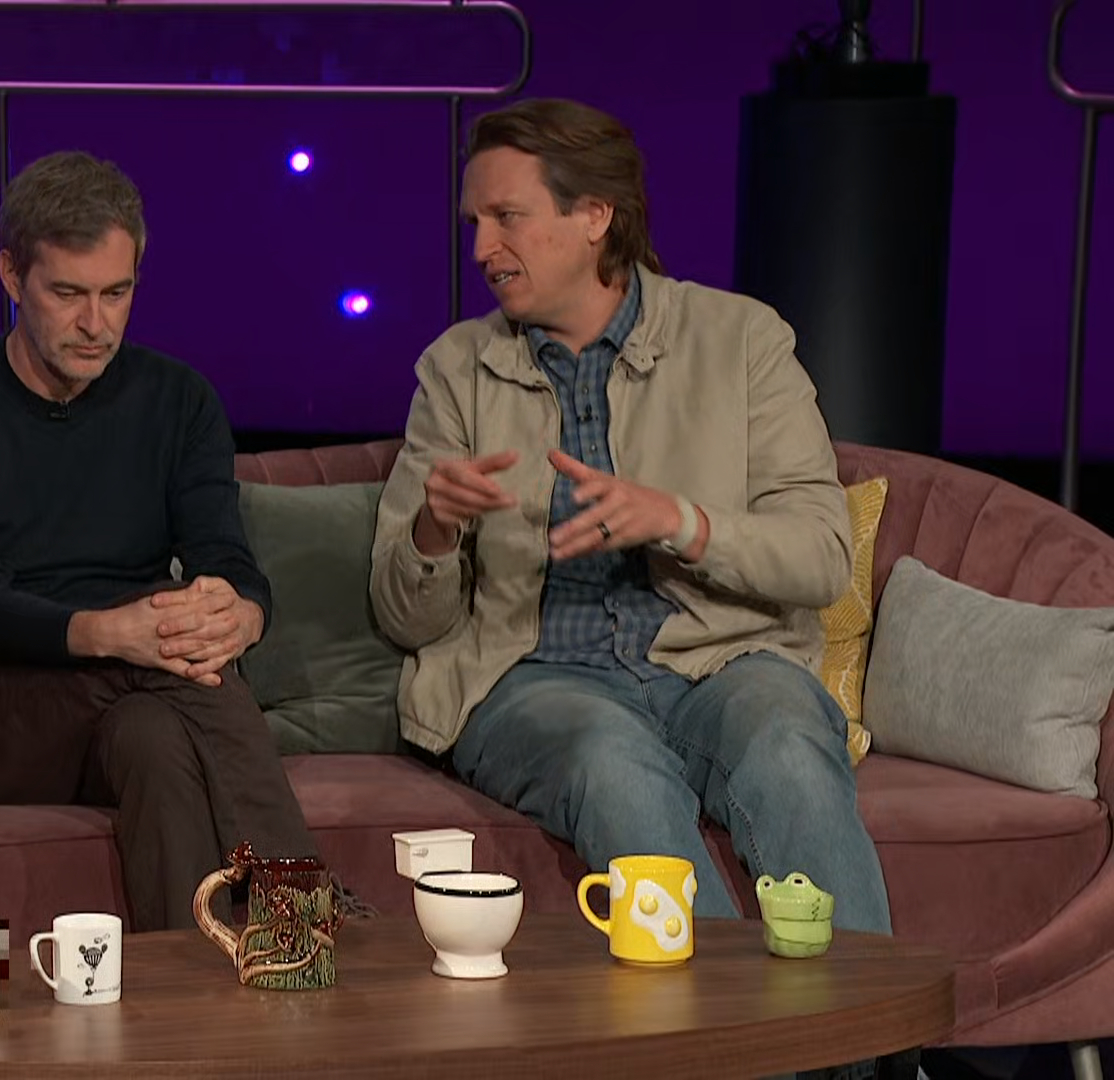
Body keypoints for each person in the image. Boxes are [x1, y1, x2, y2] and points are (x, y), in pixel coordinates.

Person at [368, 99, 894, 939]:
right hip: (534, 680)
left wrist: (681, 521)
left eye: (507, 217)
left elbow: (823, 557)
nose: (482, 249)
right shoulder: (457, 371)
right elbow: (406, 621)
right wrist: (434, 530)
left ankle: (868, 1025)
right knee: (614, 766)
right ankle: (720, 1023)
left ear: (594, 216)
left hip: (722, 663)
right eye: (475, 223)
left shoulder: (742, 340)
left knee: (790, 746)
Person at [0, 150, 330, 933]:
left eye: (116, 293)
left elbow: (226, 560)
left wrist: (240, 616)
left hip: (138, 696)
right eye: (68, 294)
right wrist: (117, 634)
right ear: (12, 276)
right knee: (173, 670)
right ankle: (305, 921)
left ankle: (200, 983)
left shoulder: (179, 400)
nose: (96, 324)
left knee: (156, 741)